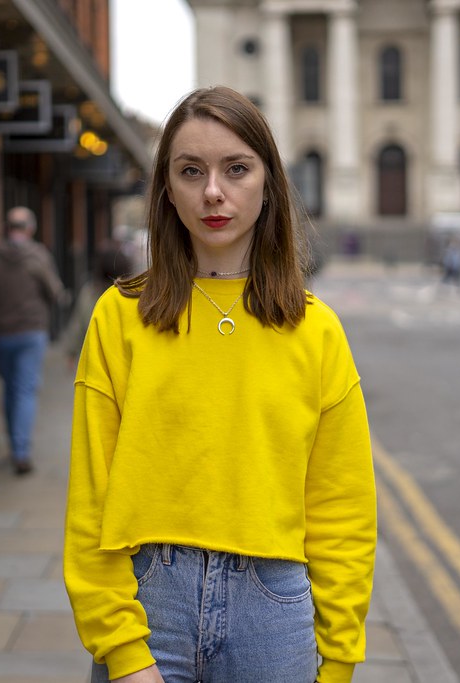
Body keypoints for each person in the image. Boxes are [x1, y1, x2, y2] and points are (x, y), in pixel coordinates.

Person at [63, 86, 377, 683]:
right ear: (166, 190)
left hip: (275, 608)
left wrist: (338, 659)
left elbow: (342, 510)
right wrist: (122, 649)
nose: (213, 191)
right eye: (190, 171)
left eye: (236, 168)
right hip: (149, 601)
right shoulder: (119, 316)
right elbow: (90, 500)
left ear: (268, 182)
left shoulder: (316, 331)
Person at [0, 206, 66, 475]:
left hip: (2, 332)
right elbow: (54, 292)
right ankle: (21, 451)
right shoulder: (38, 256)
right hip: (31, 331)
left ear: (8, 228)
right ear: (29, 229)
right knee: (26, 389)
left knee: (10, 388)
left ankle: (14, 446)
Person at [61, 245, 132, 371]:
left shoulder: (90, 292)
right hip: (126, 360)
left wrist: (71, 352)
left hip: (96, 360)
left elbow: (78, 323)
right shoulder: (134, 294)